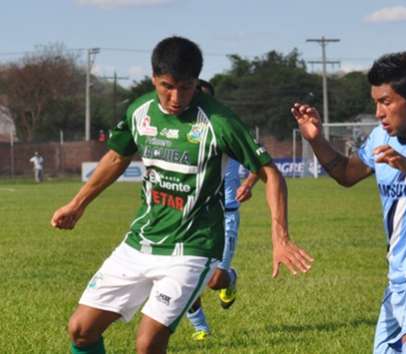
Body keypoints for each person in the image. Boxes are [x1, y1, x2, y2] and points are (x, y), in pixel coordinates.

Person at [51, 36, 313, 354]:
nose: (176, 97)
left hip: (192, 247)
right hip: (141, 242)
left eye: (186, 87)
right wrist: (77, 204)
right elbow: (117, 157)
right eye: (167, 86)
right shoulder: (140, 111)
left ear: (197, 82)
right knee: (81, 330)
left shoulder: (219, 122)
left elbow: (271, 173)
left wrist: (280, 237)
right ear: (153, 80)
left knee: (147, 344)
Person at [291, 52, 406, 354]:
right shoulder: (381, 138)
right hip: (396, 280)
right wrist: (316, 139)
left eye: (386, 102)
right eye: (376, 102)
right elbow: (346, 173)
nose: (379, 112)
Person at [186, 79, 260, 342]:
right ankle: (201, 328)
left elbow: (260, 164)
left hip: (225, 213)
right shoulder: (184, 134)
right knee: (181, 278)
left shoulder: (227, 130)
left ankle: (230, 278)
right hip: (188, 216)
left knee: (215, 280)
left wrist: (249, 184)